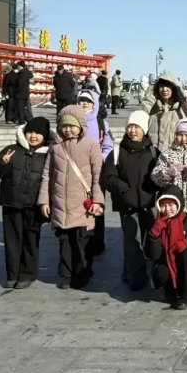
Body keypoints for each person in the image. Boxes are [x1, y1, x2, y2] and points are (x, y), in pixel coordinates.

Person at [38, 105, 104, 290]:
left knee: (82, 242)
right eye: (64, 126)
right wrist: (44, 200)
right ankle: (66, 275)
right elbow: (47, 175)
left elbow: (98, 175)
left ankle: (83, 272)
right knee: (64, 242)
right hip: (61, 204)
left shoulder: (91, 146)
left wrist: (97, 200)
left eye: (72, 126)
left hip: (82, 204)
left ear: (81, 126)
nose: (68, 129)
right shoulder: (55, 148)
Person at [0, 115, 50, 288]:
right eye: (30, 132)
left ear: (44, 136)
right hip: (11, 202)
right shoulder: (12, 150)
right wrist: (1, 163)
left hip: (34, 205)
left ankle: (27, 274)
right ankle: (12, 274)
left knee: (30, 240)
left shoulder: (48, 154)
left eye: (38, 133)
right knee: (12, 240)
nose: (33, 136)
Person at [101, 110, 158, 290]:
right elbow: (108, 177)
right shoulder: (117, 152)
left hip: (148, 203)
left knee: (150, 239)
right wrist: (125, 190)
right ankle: (136, 277)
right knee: (131, 241)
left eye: (137, 127)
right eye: (130, 126)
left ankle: (136, 271)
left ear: (144, 129)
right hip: (127, 204)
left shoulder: (153, 152)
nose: (133, 131)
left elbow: (160, 176)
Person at [145, 185, 187, 310]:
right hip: (167, 261)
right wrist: (154, 235)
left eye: (171, 205)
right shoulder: (157, 223)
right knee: (161, 272)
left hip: (186, 262)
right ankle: (170, 288)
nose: (167, 209)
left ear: (178, 204)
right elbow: (153, 255)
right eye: (163, 205)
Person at [77, 89, 114, 256]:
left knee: (97, 205)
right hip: (76, 172)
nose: (84, 103)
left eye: (88, 101)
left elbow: (108, 146)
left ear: (95, 104)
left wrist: (99, 159)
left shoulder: (101, 124)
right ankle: (80, 239)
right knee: (78, 205)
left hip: (96, 172)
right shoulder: (72, 120)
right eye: (81, 100)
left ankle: (97, 242)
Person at [144, 73, 187, 156]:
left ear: (175, 88)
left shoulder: (182, 110)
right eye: (161, 86)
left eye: (168, 86)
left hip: (175, 158)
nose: (164, 89)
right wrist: (149, 100)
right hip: (152, 157)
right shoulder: (152, 110)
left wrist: (184, 102)